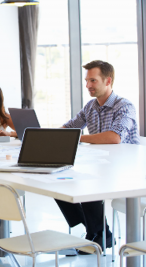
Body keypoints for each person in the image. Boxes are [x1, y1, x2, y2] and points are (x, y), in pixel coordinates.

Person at [55, 60, 140, 254]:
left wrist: (74, 138)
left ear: (108, 80)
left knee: (85, 183)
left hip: (125, 169)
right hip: (100, 166)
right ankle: (98, 232)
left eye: (92, 80)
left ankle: (98, 234)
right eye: (87, 81)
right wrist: (50, 135)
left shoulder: (125, 106)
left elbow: (114, 137)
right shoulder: (91, 106)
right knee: (58, 180)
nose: (88, 86)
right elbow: (69, 127)